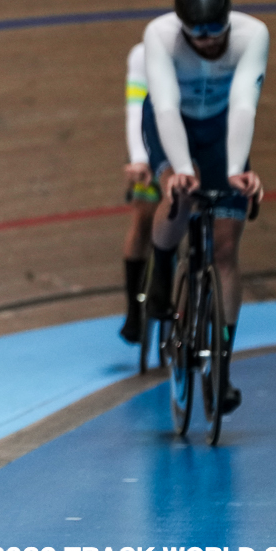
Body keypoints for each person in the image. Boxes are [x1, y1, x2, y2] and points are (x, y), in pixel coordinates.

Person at [141, 0, 267, 415]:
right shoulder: (159, 35)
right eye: (199, 34)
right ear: (183, 28)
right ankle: (161, 268)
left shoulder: (253, 34)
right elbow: (165, 106)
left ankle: (222, 372)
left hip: (220, 128)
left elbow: (244, 105)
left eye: (217, 31)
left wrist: (235, 170)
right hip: (171, 123)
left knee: (227, 250)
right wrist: (178, 170)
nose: (210, 42)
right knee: (181, 197)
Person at [117, 40, 161, 343]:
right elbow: (136, 112)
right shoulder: (143, 54)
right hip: (151, 136)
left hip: (192, 135)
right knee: (144, 216)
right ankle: (134, 309)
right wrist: (138, 160)